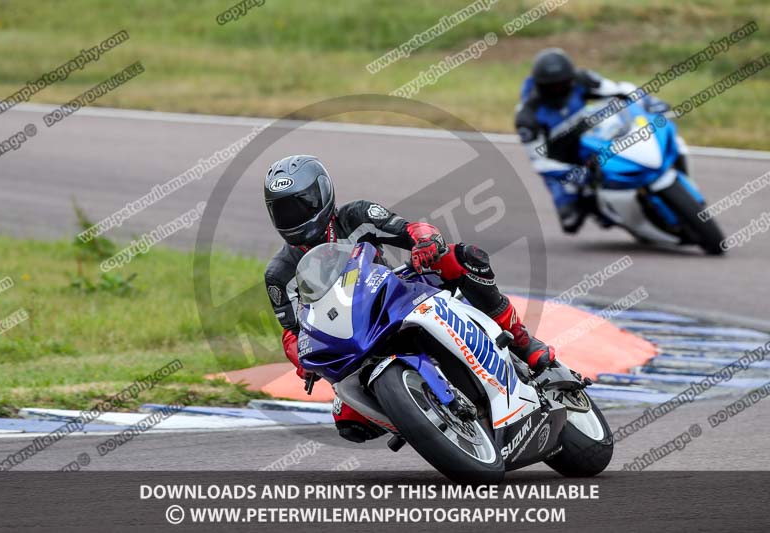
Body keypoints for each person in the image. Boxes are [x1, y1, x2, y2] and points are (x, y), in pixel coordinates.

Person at [263, 154, 556, 443]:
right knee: (350, 424)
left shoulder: (356, 216)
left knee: (461, 257)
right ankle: (424, 419)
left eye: (299, 206)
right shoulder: (279, 273)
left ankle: (522, 341)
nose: (293, 217)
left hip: (394, 296)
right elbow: (293, 331)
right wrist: (305, 362)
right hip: (351, 337)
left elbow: (410, 230)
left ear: (321, 195)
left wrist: (426, 241)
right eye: (283, 211)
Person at [515, 48, 688, 233]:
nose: (558, 90)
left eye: (563, 84)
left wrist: (649, 101)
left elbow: (621, 89)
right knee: (570, 221)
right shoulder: (527, 117)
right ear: (539, 85)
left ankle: (678, 180)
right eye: (551, 87)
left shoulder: (581, 79)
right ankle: (604, 211)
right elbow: (540, 163)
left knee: (663, 138)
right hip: (560, 156)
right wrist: (576, 173)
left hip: (587, 134)